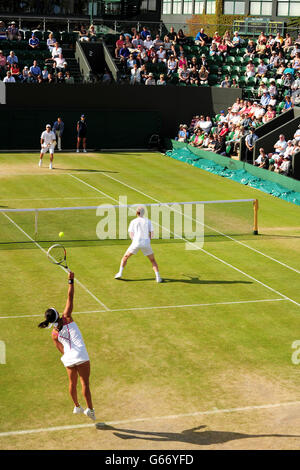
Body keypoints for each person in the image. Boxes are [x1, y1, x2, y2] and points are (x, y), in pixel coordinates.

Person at [38, 271, 96, 421]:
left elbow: (61, 350)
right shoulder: (67, 317)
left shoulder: (53, 334)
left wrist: (70, 356)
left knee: (72, 382)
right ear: (58, 314)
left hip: (68, 357)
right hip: (81, 355)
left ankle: (77, 406)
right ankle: (90, 409)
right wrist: (71, 281)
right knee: (85, 383)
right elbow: (70, 296)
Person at [114, 206, 162, 283]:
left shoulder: (133, 221)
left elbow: (131, 234)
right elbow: (152, 234)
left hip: (136, 243)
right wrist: (147, 240)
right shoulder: (148, 221)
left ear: (136, 213)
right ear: (143, 213)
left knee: (125, 257)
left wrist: (134, 241)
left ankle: (120, 273)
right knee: (153, 260)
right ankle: (158, 277)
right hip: (146, 243)